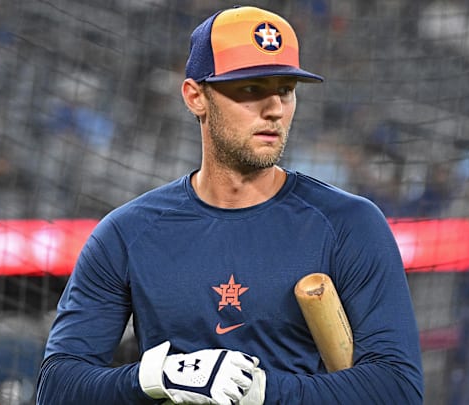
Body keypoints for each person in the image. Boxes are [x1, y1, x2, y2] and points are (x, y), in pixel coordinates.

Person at [36, 6, 423, 404]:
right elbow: (57, 387)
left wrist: (262, 392)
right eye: (252, 89)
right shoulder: (127, 233)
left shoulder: (349, 224)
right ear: (195, 96)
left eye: (286, 89)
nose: (274, 108)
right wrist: (156, 376)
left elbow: (399, 389)